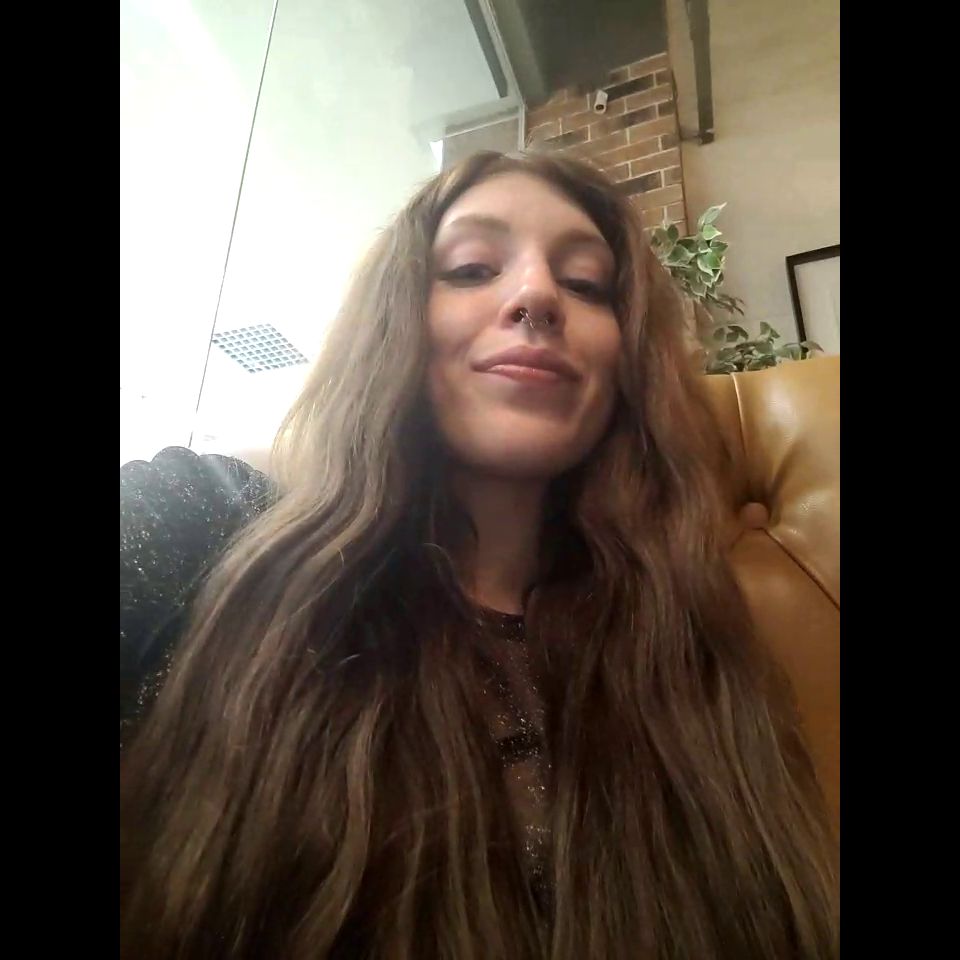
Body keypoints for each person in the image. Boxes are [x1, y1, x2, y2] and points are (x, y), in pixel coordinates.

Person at [120, 151, 838, 959]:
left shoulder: (683, 635)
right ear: (394, 322)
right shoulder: (201, 519)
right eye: (470, 268)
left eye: (586, 284)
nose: (537, 295)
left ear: (626, 360)